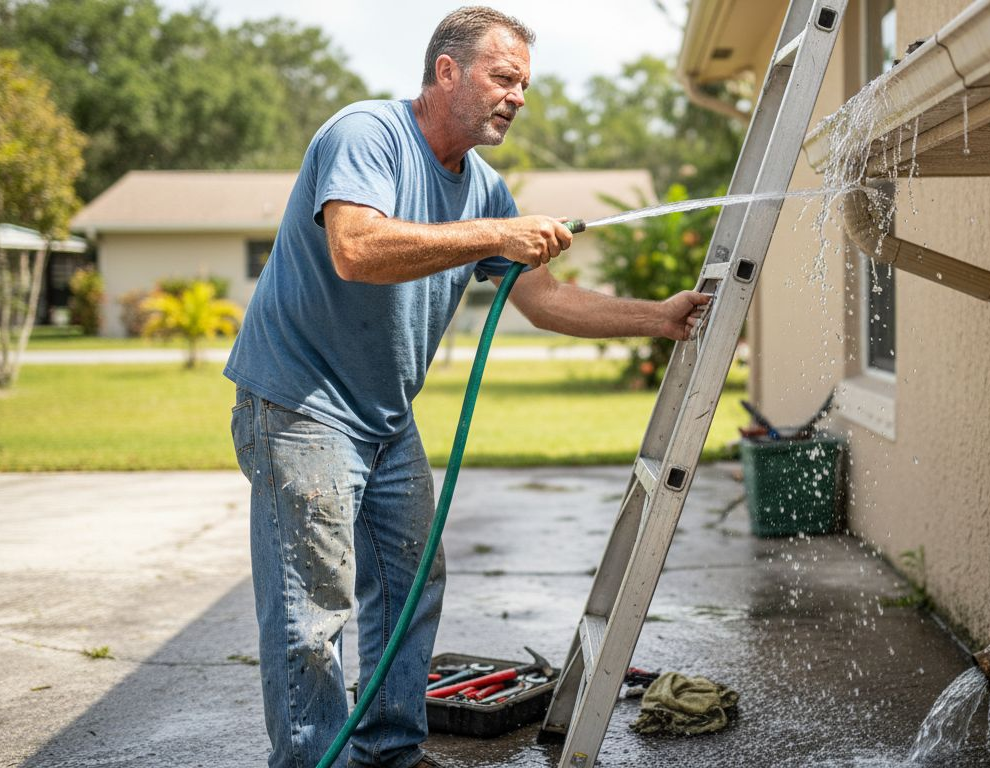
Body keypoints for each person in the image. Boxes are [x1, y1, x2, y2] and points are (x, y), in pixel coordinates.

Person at [224, 7, 710, 767]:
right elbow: (356, 248)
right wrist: (495, 235)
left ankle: (390, 751)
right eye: (504, 78)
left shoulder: (484, 187)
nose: (517, 97)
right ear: (447, 71)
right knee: (310, 616)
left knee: (412, 583)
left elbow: (545, 301)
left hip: (384, 419)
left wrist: (659, 317)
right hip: (301, 405)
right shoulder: (368, 135)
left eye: (525, 85)